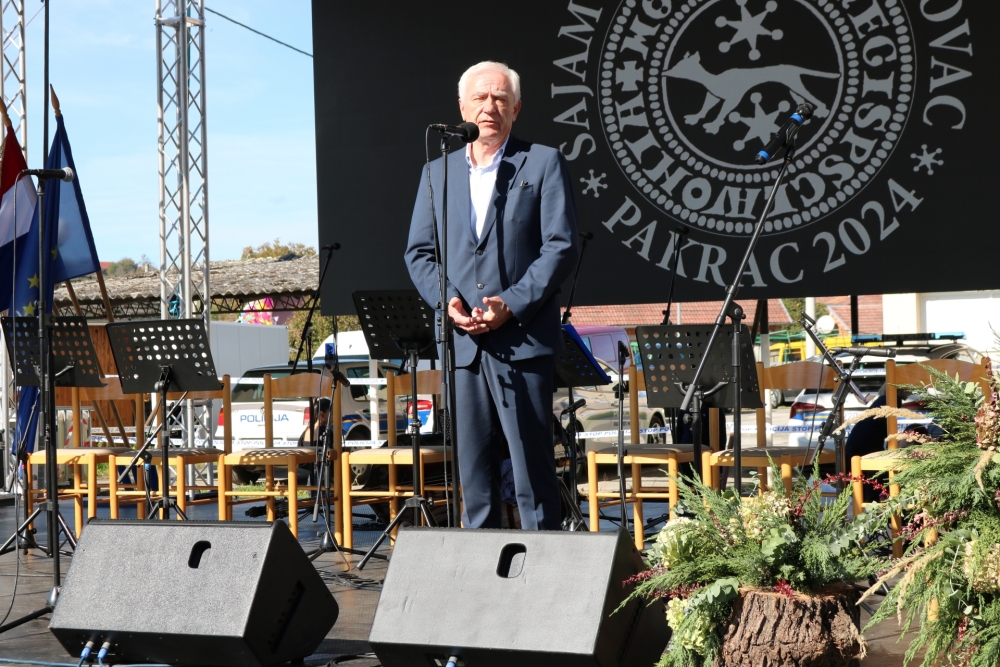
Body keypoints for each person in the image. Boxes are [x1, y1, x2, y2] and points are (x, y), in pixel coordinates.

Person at [405, 61, 579, 530]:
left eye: (501, 99)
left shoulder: (543, 162)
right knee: (473, 476)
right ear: (461, 107)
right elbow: (420, 254)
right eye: (480, 98)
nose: (489, 107)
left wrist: (512, 303)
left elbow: (560, 246)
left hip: (523, 342)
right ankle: (482, 583)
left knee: (532, 473)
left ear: (517, 109)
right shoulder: (435, 172)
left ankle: (544, 574)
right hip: (463, 348)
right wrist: (449, 303)